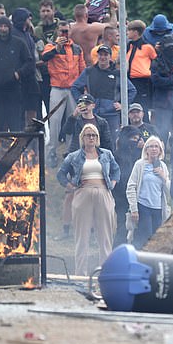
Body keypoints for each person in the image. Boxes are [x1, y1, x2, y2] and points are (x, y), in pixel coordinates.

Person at [56, 123, 120, 276]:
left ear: (97, 138)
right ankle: (80, 273)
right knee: (81, 236)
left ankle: (105, 272)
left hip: (103, 192)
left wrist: (113, 182)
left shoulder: (106, 154)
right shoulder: (74, 156)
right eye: (88, 135)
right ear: (82, 138)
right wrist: (70, 186)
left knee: (105, 235)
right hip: (83, 193)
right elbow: (61, 174)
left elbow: (116, 170)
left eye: (94, 135)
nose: (91, 138)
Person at [58, 94, 113, 241]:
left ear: (93, 106)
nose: (84, 106)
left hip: (96, 161)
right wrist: (73, 115)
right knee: (69, 194)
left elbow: (107, 143)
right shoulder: (76, 120)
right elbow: (66, 132)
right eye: (81, 103)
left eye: (87, 103)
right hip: (75, 160)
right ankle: (66, 230)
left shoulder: (101, 122)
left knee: (95, 196)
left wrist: (107, 160)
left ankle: (94, 232)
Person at [42, 21, 86, 166]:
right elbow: (44, 57)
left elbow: (82, 70)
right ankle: (52, 152)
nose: (64, 34)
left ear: (70, 31)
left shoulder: (77, 48)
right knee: (54, 122)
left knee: (72, 120)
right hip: (57, 88)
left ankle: (70, 152)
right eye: (62, 31)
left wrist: (83, 89)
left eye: (66, 31)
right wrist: (57, 47)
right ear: (57, 31)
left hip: (72, 89)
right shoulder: (51, 46)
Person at [70, 45, 136, 140]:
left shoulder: (117, 73)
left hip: (112, 116)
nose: (103, 57)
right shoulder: (89, 72)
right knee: (91, 141)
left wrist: (123, 105)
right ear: (97, 56)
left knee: (112, 143)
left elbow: (132, 90)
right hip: (93, 115)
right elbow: (75, 87)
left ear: (110, 57)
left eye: (106, 55)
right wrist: (82, 103)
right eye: (101, 54)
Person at [0, 17, 34, 132]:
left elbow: (29, 62)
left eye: (5, 26)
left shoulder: (19, 43)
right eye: (0, 26)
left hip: (14, 89)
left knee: (15, 124)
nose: (3, 29)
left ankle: (17, 149)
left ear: (9, 28)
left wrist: (18, 73)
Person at [126, 136, 171, 248]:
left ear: (160, 150)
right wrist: (134, 209)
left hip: (158, 208)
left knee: (156, 240)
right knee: (145, 238)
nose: (154, 149)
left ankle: (153, 264)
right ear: (146, 150)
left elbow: (168, 191)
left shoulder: (163, 166)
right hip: (143, 206)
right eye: (151, 146)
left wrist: (164, 177)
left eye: (156, 147)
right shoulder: (140, 165)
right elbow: (131, 187)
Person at [112, 126, 144, 247]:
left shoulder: (142, 155)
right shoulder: (117, 156)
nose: (136, 141)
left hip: (139, 196)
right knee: (122, 227)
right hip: (121, 197)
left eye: (138, 138)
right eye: (133, 138)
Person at [11, 7, 42, 127]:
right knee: (20, 110)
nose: (30, 19)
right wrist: (19, 72)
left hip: (30, 76)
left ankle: (31, 133)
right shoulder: (14, 34)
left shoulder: (27, 34)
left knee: (32, 105)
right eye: (27, 17)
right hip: (20, 77)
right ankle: (20, 138)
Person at [34, 0, 60, 114]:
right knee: (41, 110)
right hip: (43, 74)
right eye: (43, 11)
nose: (45, 14)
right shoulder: (36, 31)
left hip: (59, 73)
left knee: (56, 110)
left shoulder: (62, 28)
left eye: (48, 11)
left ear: (53, 11)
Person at [126, 20, 157, 117]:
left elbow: (156, 61)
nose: (127, 32)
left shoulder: (147, 47)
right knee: (131, 107)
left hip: (142, 81)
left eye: (129, 30)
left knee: (142, 108)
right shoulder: (129, 46)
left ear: (135, 32)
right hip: (130, 80)